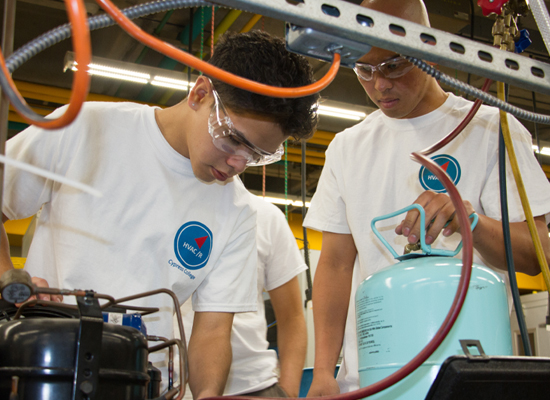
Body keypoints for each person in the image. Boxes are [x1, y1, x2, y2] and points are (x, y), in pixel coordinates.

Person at [0, 30, 318, 399]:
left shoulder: (239, 212)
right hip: (47, 369)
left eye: (256, 156)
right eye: (233, 140)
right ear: (200, 95)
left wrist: (207, 395)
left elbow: (213, 331)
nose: (237, 164)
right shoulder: (87, 129)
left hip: (144, 384)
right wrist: (9, 277)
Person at [304, 0, 550, 396]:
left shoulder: (493, 129)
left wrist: (472, 222)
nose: (379, 84)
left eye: (393, 66)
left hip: (470, 377)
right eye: (365, 69)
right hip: (372, 379)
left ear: (428, 49)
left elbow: (538, 257)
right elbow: (334, 265)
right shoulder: (346, 148)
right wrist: (322, 374)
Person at [179, 192, 308, 398]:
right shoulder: (166, 207)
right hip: (166, 384)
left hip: (253, 386)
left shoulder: (266, 217)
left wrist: (289, 393)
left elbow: (291, 318)